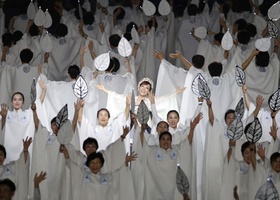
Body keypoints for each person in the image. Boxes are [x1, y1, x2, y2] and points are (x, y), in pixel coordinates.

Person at [134, 112, 202, 200]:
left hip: (173, 188)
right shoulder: (153, 150)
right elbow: (143, 145)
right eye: (163, 139)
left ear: (171, 140)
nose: (165, 142)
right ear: (159, 141)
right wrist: (139, 127)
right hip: (157, 188)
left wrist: (192, 128)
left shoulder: (176, 149)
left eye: (168, 139)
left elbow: (187, 143)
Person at [0, 92, 38, 163]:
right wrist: (3, 117)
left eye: (20, 100)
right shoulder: (6, 113)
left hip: (23, 148)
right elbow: (2, 129)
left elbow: (36, 124)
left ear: (23, 102)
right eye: (15, 99)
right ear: (11, 102)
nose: (17, 102)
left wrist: (34, 111)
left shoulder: (28, 114)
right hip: (8, 147)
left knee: (22, 167)